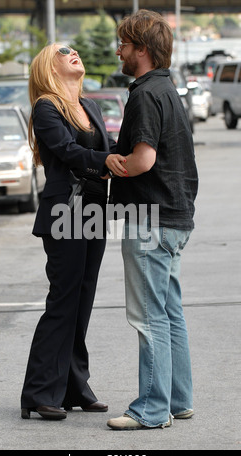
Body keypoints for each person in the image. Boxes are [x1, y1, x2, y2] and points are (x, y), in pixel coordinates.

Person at [20, 43, 127, 420]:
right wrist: (109, 160)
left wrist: (135, 152)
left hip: (94, 209)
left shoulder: (90, 107)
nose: (75, 53)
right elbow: (67, 151)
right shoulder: (46, 107)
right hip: (66, 210)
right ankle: (38, 391)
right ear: (49, 67)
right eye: (64, 51)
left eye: (77, 49)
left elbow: (110, 146)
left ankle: (73, 387)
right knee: (63, 299)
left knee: (82, 300)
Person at [107, 10, 198, 430]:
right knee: (170, 311)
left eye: (124, 44)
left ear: (141, 49)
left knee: (149, 318)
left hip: (150, 219)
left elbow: (143, 161)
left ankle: (151, 408)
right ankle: (178, 400)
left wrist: (108, 163)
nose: (119, 50)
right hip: (175, 218)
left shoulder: (144, 93)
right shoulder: (168, 89)